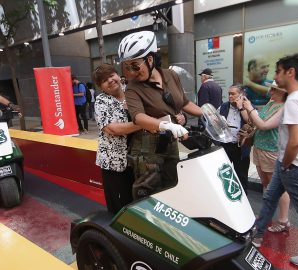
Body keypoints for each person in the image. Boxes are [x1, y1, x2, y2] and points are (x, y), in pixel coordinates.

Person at [250, 53, 298, 269]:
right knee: (269, 198)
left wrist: (285, 164)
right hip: (292, 164)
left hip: (294, 165)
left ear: (290, 72)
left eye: (278, 71)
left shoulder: (294, 101)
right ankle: (256, 235)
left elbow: (295, 142)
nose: (275, 77)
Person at [119, 30, 203, 199]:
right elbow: (138, 117)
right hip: (147, 146)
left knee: (172, 184)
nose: (131, 72)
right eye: (127, 67)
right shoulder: (133, 87)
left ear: (150, 60)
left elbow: (184, 103)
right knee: (147, 191)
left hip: (170, 141)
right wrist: (164, 125)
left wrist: (207, 113)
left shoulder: (171, 75)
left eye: (135, 66)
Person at [241, 83, 292, 233]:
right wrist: (244, 108)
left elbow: (264, 125)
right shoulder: (271, 102)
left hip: (272, 150)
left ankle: (283, 220)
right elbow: (254, 121)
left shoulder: (285, 107)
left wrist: (250, 108)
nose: (271, 90)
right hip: (259, 148)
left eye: (275, 89)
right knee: (265, 183)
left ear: (283, 92)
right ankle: (266, 214)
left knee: (276, 185)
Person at [93, 64, 141, 214]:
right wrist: (144, 122)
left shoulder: (133, 92)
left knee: (138, 201)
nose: (110, 80)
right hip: (114, 162)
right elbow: (112, 128)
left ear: (118, 75)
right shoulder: (101, 101)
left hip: (138, 159)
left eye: (111, 75)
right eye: (104, 80)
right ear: (101, 86)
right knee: (119, 204)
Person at [218, 85, 251, 191]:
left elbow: (250, 121)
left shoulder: (248, 106)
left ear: (241, 95)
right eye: (229, 94)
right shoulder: (224, 106)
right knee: (224, 174)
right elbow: (216, 121)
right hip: (225, 146)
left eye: (233, 94)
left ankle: (244, 198)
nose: (230, 96)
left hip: (241, 148)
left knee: (241, 176)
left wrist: (241, 106)